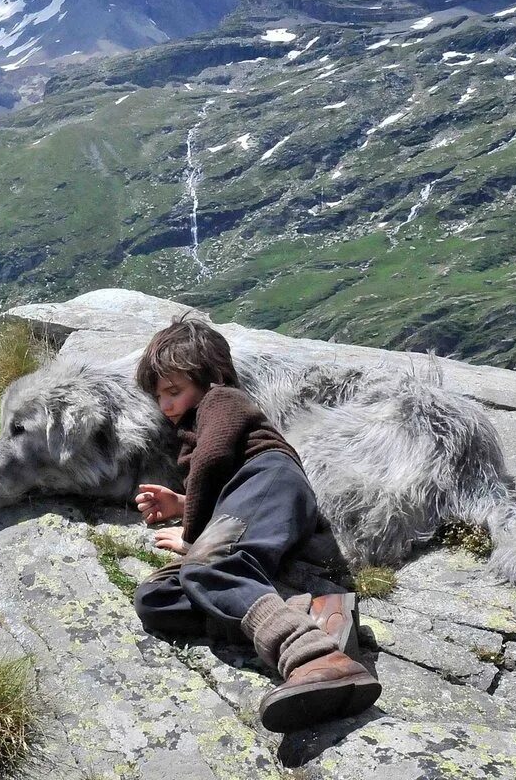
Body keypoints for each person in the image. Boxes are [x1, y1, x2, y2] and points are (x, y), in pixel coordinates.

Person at [132, 314, 382, 732]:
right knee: (158, 599)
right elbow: (222, 489)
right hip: (252, 497)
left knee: (208, 566)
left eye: (174, 392)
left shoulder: (221, 399)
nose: (166, 406)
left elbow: (213, 462)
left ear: (209, 378)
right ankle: (317, 614)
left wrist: (193, 537)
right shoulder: (199, 421)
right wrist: (181, 502)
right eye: (160, 397)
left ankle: (315, 659)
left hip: (270, 479)